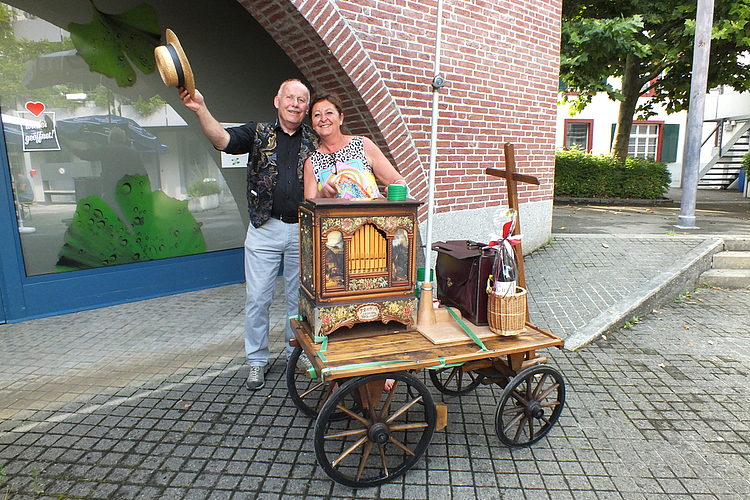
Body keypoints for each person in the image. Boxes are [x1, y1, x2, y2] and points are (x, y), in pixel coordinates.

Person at [178, 79, 319, 391]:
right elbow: (223, 140)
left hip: (303, 231)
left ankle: (297, 354)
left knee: (300, 300)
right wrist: (201, 108)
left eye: (301, 100)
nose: (295, 103)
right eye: (290, 97)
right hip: (264, 228)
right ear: (277, 101)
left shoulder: (315, 140)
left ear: (307, 108)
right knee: (258, 298)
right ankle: (256, 360)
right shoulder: (258, 132)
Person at [303, 92, 406, 199]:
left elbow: (397, 180)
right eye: (317, 115)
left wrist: (397, 188)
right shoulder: (311, 162)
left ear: (341, 118)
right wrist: (322, 194)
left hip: (374, 214)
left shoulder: (363, 144)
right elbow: (309, 208)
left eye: (329, 112)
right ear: (312, 123)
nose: (323, 119)